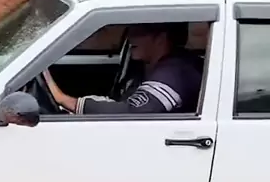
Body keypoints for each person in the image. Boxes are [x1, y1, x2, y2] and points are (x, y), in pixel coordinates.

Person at [42, 22, 202, 115]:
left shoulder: (176, 73)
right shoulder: (146, 66)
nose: (130, 37)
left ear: (161, 38)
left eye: (138, 32)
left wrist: (64, 100)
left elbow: (133, 112)